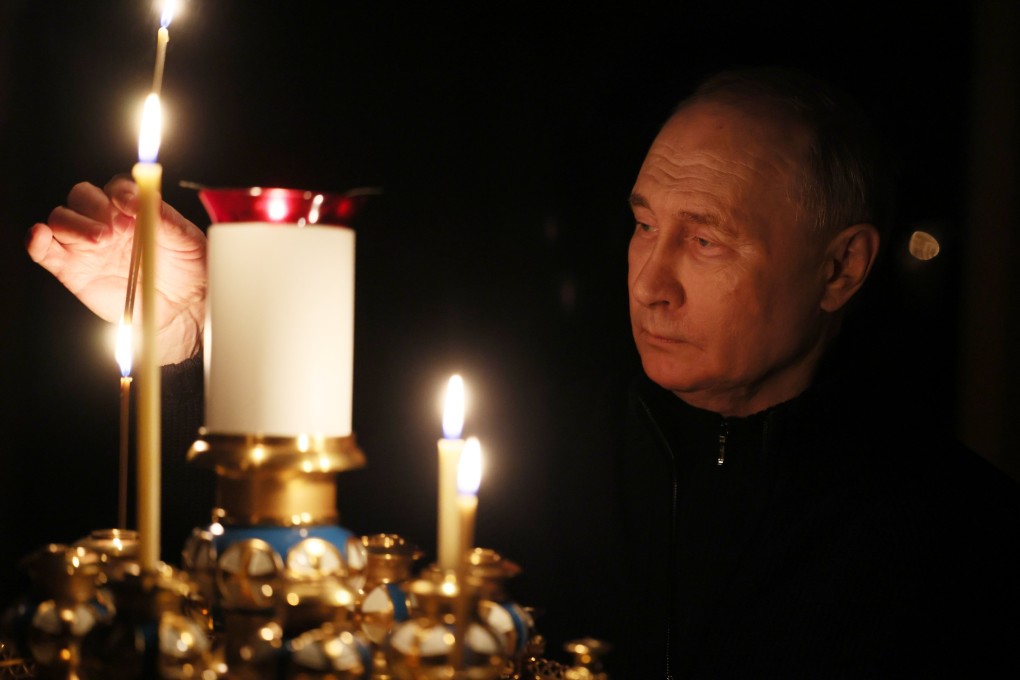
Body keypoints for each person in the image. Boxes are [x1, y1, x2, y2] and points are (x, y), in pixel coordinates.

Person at [25, 66, 1020, 678]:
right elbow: (275, 561)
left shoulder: (954, 542)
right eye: (642, 224)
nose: (651, 279)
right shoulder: (513, 455)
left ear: (840, 266)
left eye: (708, 242)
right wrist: (205, 329)